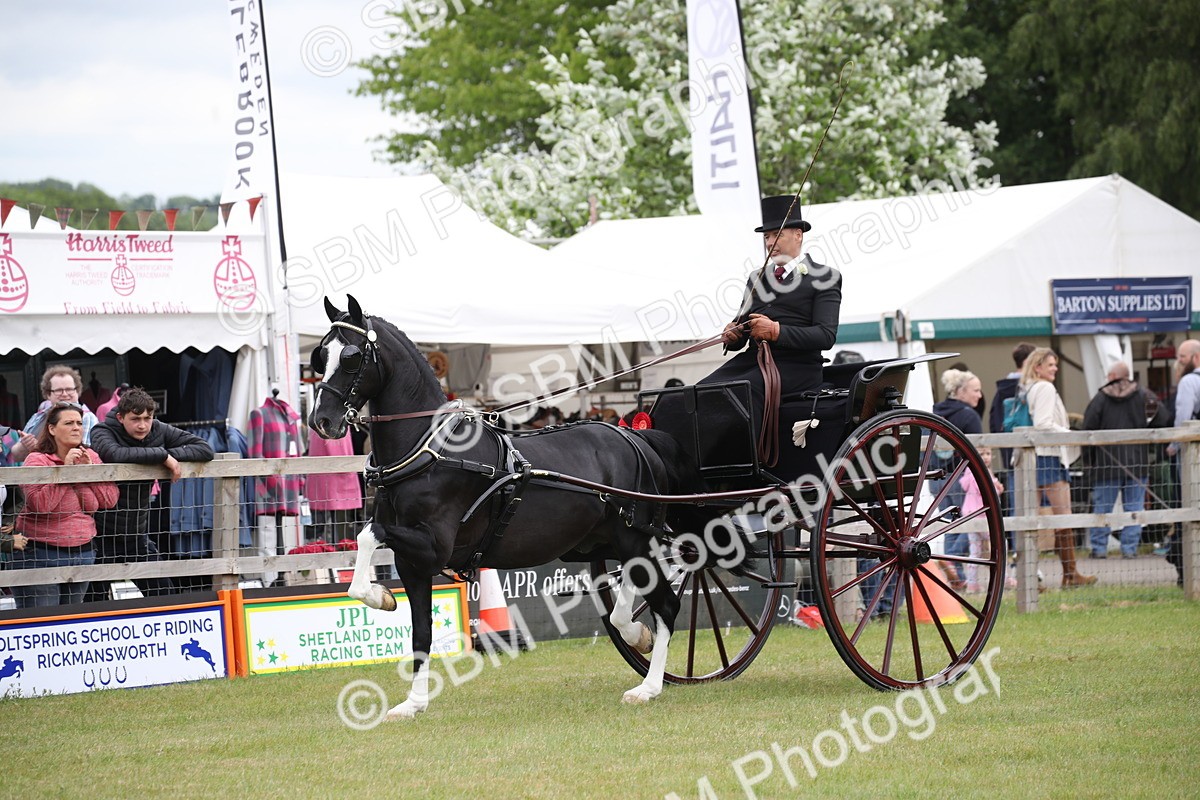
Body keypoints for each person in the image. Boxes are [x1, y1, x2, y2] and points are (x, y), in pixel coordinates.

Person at [703, 194, 842, 414]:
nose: (769, 243)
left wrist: (776, 331)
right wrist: (733, 333)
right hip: (754, 361)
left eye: (777, 235)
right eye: (767, 237)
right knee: (701, 391)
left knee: (741, 392)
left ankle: (753, 449)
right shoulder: (756, 278)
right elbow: (743, 327)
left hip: (797, 367)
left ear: (798, 235)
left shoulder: (825, 277)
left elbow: (825, 336)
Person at [88, 387, 215, 599]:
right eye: (136, 418)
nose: (143, 425)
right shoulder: (102, 431)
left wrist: (165, 455)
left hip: (137, 536)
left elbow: (204, 449)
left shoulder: (157, 429)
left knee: (165, 595)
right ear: (120, 417)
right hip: (100, 536)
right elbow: (114, 454)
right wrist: (162, 457)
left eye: (148, 418)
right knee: (92, 603)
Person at [10, 402, 118, 608]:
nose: (77, 427)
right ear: (51, 429)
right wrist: (66, 472)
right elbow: (41, 504)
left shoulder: (91, 456)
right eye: (68, 423)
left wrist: (89, 473)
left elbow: (109, 499)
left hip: (83, 553)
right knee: (42, 624)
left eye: (79, 422)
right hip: (41, 554)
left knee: (70, 623)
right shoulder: (37, 460)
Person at [1021, 347, 1096, 587]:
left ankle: (1031, 575)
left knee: (1029, 518)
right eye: (1050, 365)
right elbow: (1043, 424)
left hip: (1035, 457)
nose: (1054, 368)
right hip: (1049, 456)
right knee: (1063, 516)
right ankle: (1070, 574)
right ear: (1037, 367)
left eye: (1055, 364)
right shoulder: (1044, 387)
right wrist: (1071, 435)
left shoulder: (1028, 388)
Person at [1082, 362, 1170, 559]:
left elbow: (1087, 427)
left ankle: (1099, 549)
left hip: (1106, 463)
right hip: (1138, 462)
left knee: (1102, 510)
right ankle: (1129, 549)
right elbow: (1163, 417)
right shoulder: (1144, 395)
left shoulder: (1101, 398)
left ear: (1113, 375)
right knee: (1135, 508)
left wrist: (1089, 461)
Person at [931, 368, 984, 583]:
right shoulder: (969, 416)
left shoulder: (935, 412)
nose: (980, 395)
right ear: (961, 392)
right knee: (973, 521)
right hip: (962, 479)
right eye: (976, 390)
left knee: (950, 525)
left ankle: (957, 577)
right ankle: (951, 559)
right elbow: (978, 449)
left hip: (935, 479)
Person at [1163, 339, 1200, 585]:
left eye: (1182, 357)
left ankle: (1186, 572)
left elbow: (1183, 417)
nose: (1179, 361)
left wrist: (1174, 444)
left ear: (1196, 357)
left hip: (1192, 457)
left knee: (1186, 508)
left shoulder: (1189, 382)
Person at [11, 365, 100, 463]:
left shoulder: (87, 418)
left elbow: (83, 455)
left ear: (77, 391)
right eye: (59, 390)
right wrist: (24, 446)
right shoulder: (38, 417)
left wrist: (38, 448)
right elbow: (15, 456)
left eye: (69, 389)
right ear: (48, 394)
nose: (65, 394)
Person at [958, 445, 1010, 592]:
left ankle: (972, 583)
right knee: (1001, 543)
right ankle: (1003, 578)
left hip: (971, 514)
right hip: (981, 516)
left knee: (975, 550)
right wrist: (997, 487)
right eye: (982, 454)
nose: (986, 457)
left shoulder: (972, 471)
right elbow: (985, 491)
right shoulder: (979, 472)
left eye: (988, 453)